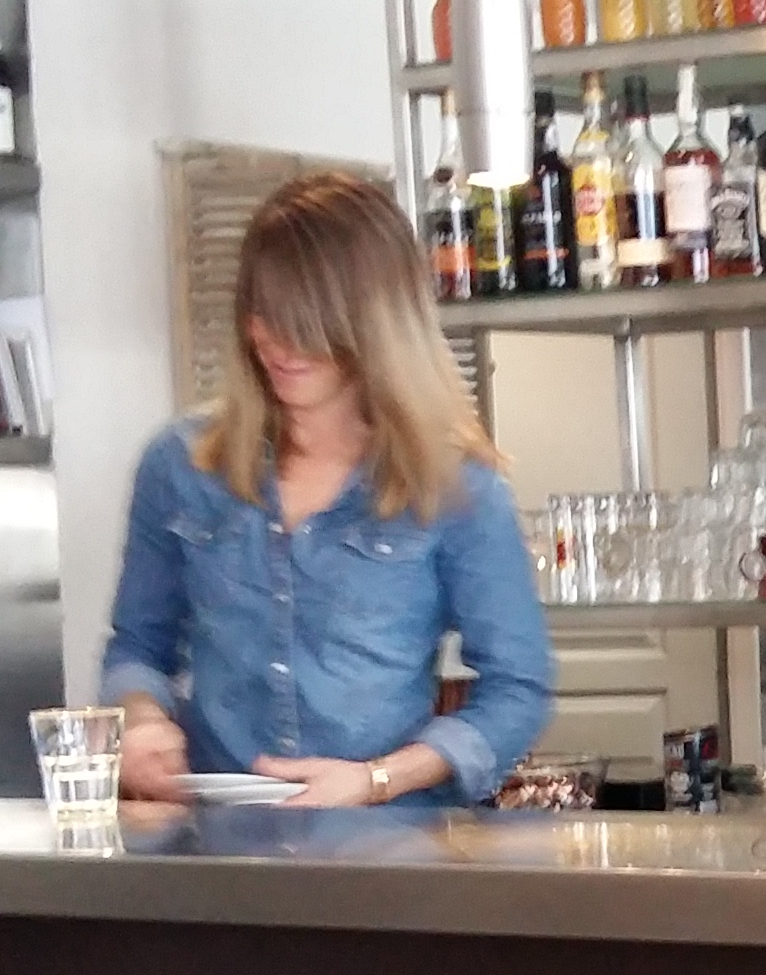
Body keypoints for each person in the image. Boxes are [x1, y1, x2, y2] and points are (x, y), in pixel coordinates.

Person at [100, 170, 550, 807]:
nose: (278, 343)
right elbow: (137, 647)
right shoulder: (180, 465)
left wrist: (376, 780)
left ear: (374, 324)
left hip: (388, 846)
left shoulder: (456, 487)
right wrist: (142, 721)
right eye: (263, 315)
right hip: (217, 841)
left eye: (307, 323)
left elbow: (517, 689)